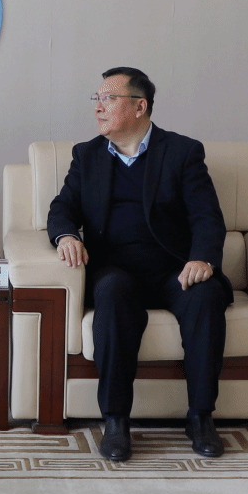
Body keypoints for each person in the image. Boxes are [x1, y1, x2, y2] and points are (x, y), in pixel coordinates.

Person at [48, 67, 230, 462]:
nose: (98, 107)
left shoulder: (182, 152)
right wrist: (66, 236)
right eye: (96, 99)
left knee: (207, 295)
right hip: (115, 269)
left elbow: (206, 216)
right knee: (112, 294)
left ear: (139, 106)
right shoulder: (87, 155)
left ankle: (201, 416)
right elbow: (62, 208)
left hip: (173, 268)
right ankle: (116, 421)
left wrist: (202, 258)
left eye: (108, 99)